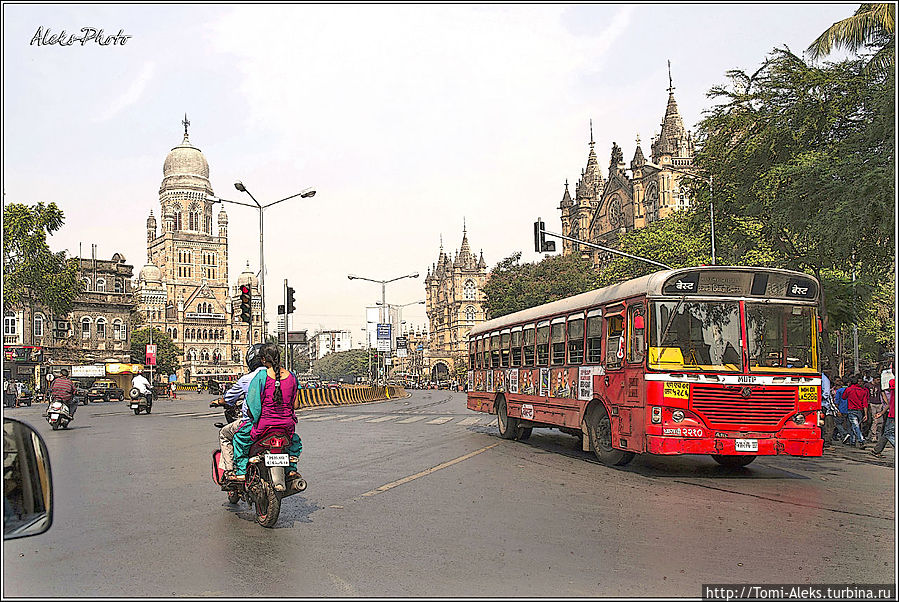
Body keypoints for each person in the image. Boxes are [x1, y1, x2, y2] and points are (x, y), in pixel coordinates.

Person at [230, 343, 303, 483]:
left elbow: (253, 405)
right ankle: (292, 469)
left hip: (264, 426)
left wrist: (255, 419)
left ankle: (240, 472)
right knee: (295, 442)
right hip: (287, 427)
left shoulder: (261, 376)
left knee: (239, 438)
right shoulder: (292, 377)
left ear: (263, 360)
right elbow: (296, 405)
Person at [211, 343, 267, 477]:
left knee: (226, 434)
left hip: (255, 423)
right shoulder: (281, 377)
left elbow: (232, 400)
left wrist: (218, 402)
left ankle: (232, 471)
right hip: (281, 423)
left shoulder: (250, 379)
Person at [844, 374, 869, 449]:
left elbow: (844, 397)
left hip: (851, 410)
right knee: (855, 426)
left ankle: (861, 440)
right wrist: (866, 414)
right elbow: (865, 404)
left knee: (855, 426)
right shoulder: (863, 391)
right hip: (860, 411)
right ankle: (853, 441)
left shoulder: (849, 390)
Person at [872, 378, 894, 457]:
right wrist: (881, 413)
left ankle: (877, 449)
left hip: (892, 414)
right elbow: (889, 403)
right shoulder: (892, 383)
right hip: (892, 414)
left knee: (887, 432)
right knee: (888, 433)